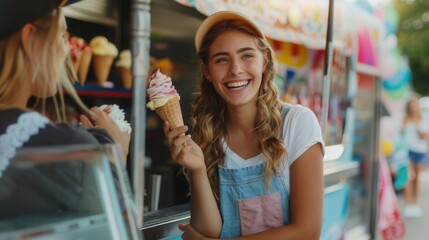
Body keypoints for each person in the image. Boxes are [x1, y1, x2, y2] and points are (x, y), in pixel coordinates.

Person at [164, 11, 325, 239]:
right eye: (221, 59)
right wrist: (198, 168)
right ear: (207, 72)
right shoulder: (209, 133)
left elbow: (307, 232)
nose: (235, 69)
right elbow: (209, 231)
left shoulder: (297, 123)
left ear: (265, 60)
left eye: (246, 55)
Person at [0, 0, 130, 218]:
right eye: (62, 36)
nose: (67, 49)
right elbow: (116, 229)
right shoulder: (65, 145)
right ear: (30, 38)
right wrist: (113, 156)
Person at [402, 95, 428, 218]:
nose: (413, 108)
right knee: (408, 177)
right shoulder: (405, 119)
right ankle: (408, 204)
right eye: (411, 106)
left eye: (414, 105)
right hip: (407, 151)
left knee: (417, 178)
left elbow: (424, 137)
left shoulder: (423, 120)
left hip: (420, 151)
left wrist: (418, 127)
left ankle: (415, 204)